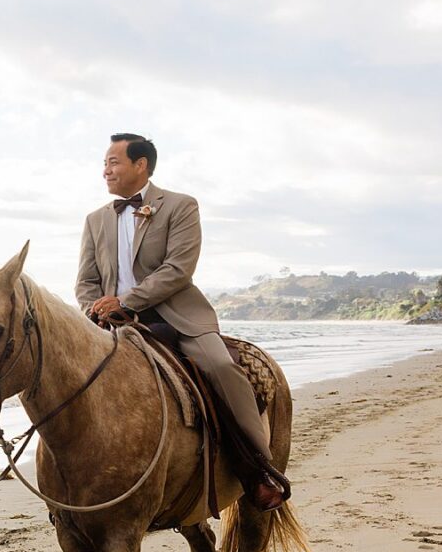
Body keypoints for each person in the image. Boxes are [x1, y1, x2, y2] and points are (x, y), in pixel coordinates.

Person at [75, 133, 290, 511]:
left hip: (176, 317)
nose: (105, 169)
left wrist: (125, 300)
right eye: (105, 163)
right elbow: (85, 282)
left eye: (113, 162)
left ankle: (259, 468)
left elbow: (178, 270)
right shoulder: (95, 221)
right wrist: (94, 308)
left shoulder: (179, 206)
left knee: (221, 367)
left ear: (140, 165)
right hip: (111, 325)